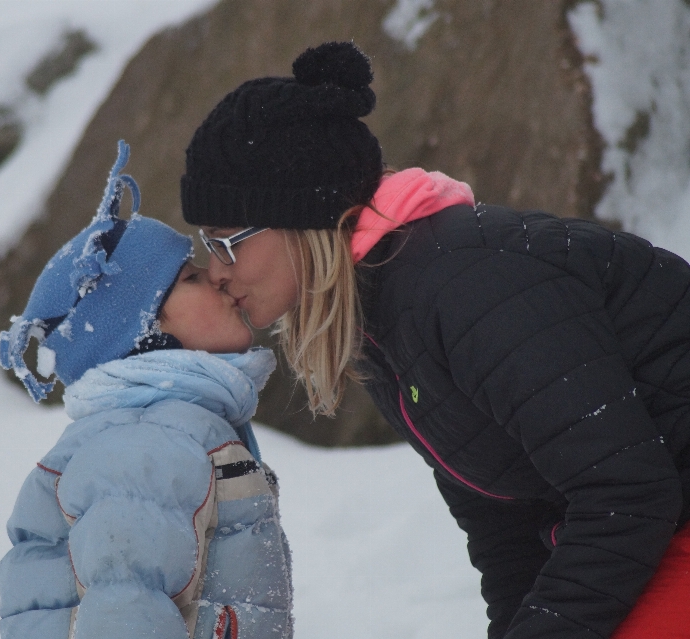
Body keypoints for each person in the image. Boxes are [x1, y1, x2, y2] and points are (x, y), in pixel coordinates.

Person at [181, 42, 690, 639]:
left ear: (300, 215)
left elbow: (626, 491)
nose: (215, 268)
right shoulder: (382, 320)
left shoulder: (465, 285)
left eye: (227, 239)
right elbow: (504, 526)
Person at [0, 141, 293, 639]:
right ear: (146, 330)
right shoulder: (146, 444)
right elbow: (123, 613)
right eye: (192, 277)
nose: (219, 279)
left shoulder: (166, 428)